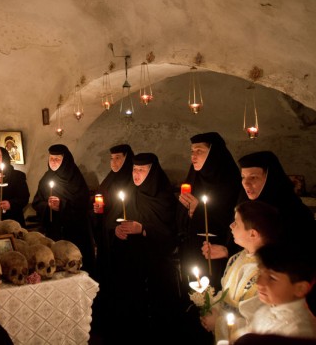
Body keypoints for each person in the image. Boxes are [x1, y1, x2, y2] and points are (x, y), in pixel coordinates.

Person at [110, 152, 181, 343]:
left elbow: (170, 231)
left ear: (152, 172)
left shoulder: (164, 197)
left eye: (142, 170)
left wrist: (142, 228)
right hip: (132, 260)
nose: (136, 174)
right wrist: (118, 230)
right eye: (134, 169)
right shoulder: (129, 192)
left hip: (157, 262)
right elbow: (115, 219)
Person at [200, 200, 282, 343]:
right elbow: (225, 294)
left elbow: (260, 325)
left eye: (236, 223)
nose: (231, 226)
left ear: (252, 234)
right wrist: (212, 309)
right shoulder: (236, 258)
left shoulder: (270, 272)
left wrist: (218, 323)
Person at [177, 132, 241, 291]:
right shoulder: (193, 179)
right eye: (192, 151)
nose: (193, 156)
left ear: (213, 154)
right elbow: (180, 217)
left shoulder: (229, 182)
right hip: (193, 251)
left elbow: (231, 219)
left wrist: (199, 211)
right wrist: (188, 213)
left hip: (217, 253)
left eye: (199, 151)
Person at [90, 144, 134, 335]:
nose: (113, 162)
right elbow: (100, 200)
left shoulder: (132, 179)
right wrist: (96, 211)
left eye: (118, 158)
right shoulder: (109, 179)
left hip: (123, 239)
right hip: (107, 237)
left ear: (127, 159)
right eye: (111, 158)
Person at [31, 144, 94, 272]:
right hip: (54, 230)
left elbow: (83, 203)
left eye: (57, 159)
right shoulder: (46, 179)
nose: (53, 162)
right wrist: (47, 206)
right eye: (51, 159)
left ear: (65, 160)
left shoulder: (75, 178)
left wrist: (62, 205)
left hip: (76, 231)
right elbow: (37, 202)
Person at [235, 242, 316, 341]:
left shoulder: (298, 333)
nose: (259, 282)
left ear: (300, 288)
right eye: (260, 273)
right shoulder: (267, 308)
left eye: (272, 278)